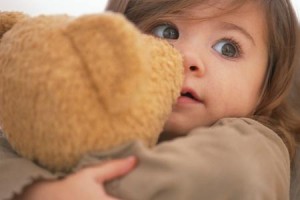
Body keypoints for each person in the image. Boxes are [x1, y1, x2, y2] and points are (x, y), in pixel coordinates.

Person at [1, 0, 299, 199]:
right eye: (166, 31)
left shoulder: (258, 141)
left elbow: (235, 176)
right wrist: (39, 190)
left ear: (267, 86)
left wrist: (84, 177)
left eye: (228, 48)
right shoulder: (83, 113)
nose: (188, 58)